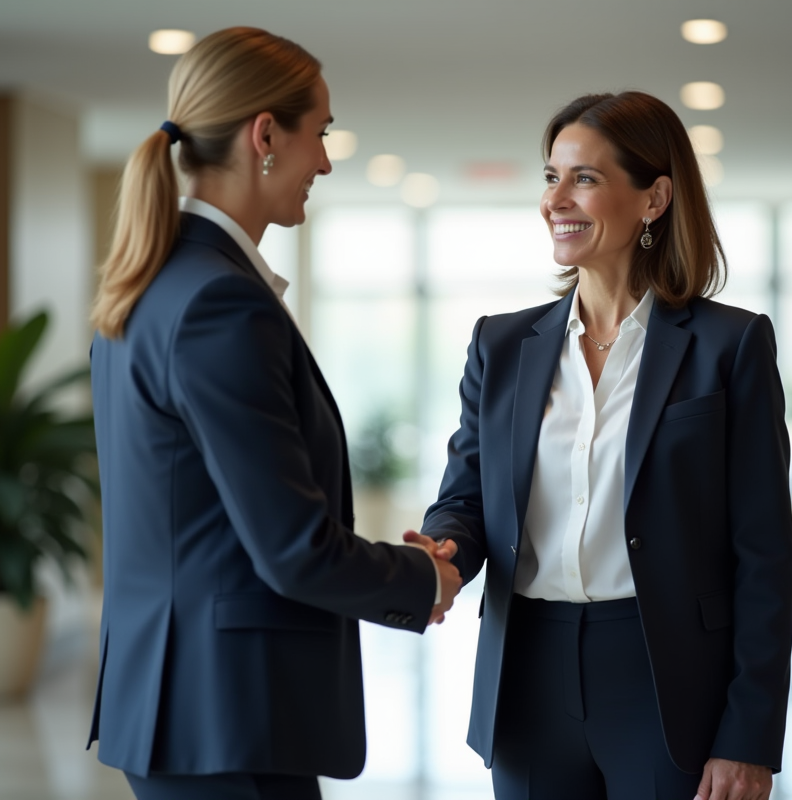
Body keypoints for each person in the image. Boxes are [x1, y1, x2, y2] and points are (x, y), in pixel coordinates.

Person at [86, 27, 461, 800]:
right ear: (265, 135)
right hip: (226, 714)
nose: (324, 160)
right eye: (319, 133)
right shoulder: (221, 302)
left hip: (186, 707)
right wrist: (422, 577)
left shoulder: (153, 285)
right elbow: (292, 548)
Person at [407, 92, 792, 800]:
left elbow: (764, 556)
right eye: (551, 176)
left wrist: (749, 736)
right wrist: (438, 555)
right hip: (527, 674)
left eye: (584, 178)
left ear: (654, 198)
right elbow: (466, 498)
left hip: (665, 676)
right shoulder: (500, 345)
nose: (557, 198)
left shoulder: (728, 346)